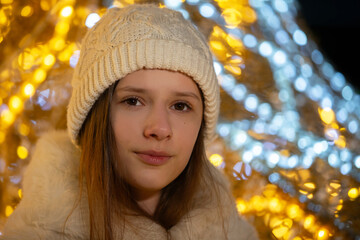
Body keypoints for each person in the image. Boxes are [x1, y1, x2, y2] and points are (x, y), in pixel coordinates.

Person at [1, 4, 259, 240]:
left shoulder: (233, 233)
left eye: (181, 106)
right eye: (133, 101)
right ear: (95, 115)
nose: (159, 128)